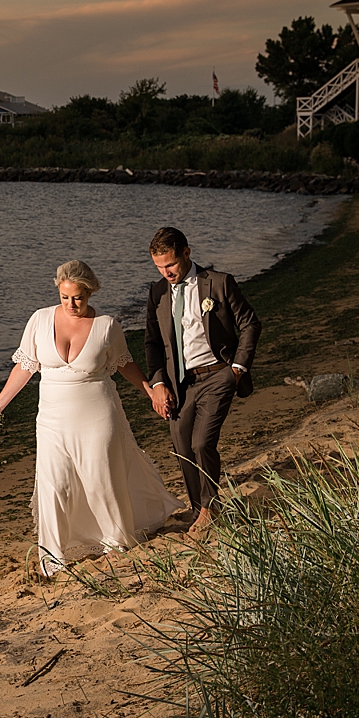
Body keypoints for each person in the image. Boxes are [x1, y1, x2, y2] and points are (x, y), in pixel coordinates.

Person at [0, 260, 183, 576]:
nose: (71, 305)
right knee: (55, 484)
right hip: (51, 420)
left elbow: (124, 364)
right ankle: (54, 556)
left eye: (78, 297)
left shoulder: (107, 326)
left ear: (90, 292)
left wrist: (150, 390)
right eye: (65, 297)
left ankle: (115, 542)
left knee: (101, 480)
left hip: (98, 417)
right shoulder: (39, 320)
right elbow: (25, 366)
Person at [143, 227, 261, 532]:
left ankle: (209, 507)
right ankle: (200, 509)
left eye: (170, 264)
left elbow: (250, 323)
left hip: (218, 374)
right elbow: (153, 343)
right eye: (159, 266)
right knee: (183, 446)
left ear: (186, 253)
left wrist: (237, 369)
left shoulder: (219, 283)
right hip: (179, 383)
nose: (165, 272)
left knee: (201, 442)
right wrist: (158, 384)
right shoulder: (157, 292)